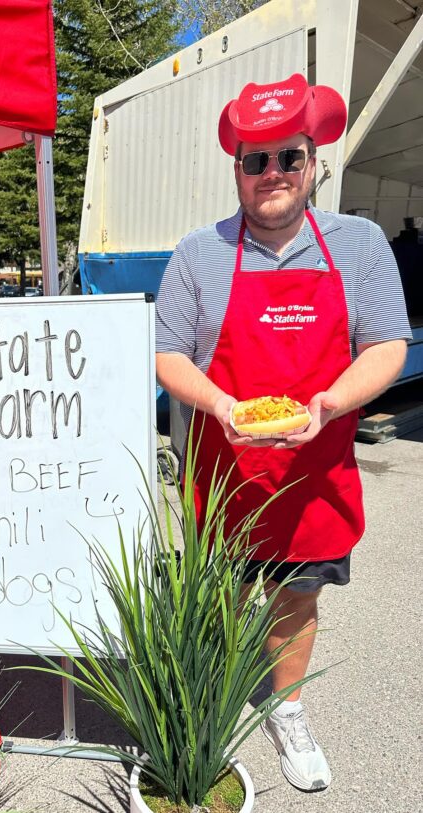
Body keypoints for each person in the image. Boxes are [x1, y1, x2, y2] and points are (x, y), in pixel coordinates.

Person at [155, 73, 411, 792]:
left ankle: (287, 708)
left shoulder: (358, 245)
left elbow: (387, 346)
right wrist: (225, 406)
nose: (272, 174)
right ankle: (220, 697)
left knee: (297, 600)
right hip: (227, 477)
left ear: (313, 161)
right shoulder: (198, 252)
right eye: (254, 160)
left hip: (314, 477)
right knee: (225, 600)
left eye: (287, 158)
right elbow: (168, 354)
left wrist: (329, 405)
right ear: (236, 166)